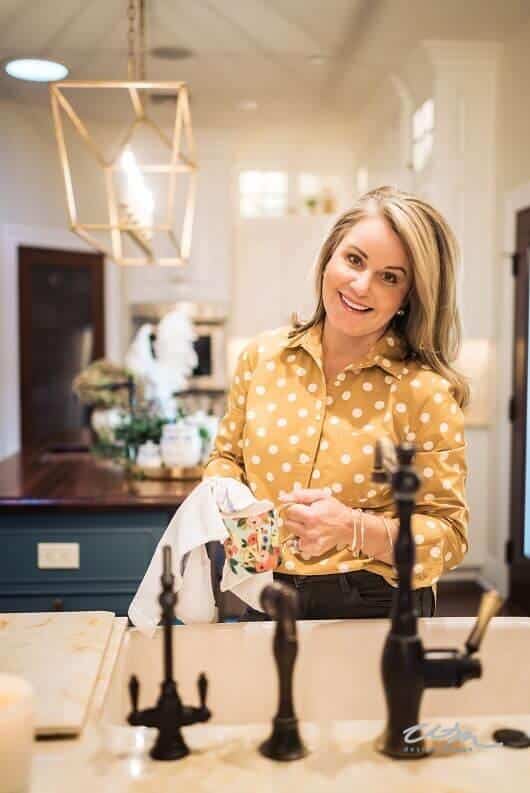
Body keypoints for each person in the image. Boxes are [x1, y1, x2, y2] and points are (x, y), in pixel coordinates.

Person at [203, 186, 470, 620]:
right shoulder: (262, 358)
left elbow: (449, 537)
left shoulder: (423, 393)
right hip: (262, 590)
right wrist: (241, 518)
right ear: (330, 256)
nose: (361, 286)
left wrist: (353, 527)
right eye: (354, 259)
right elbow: (225, 460)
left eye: (390, 276)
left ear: (408, 297)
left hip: (374, 602)